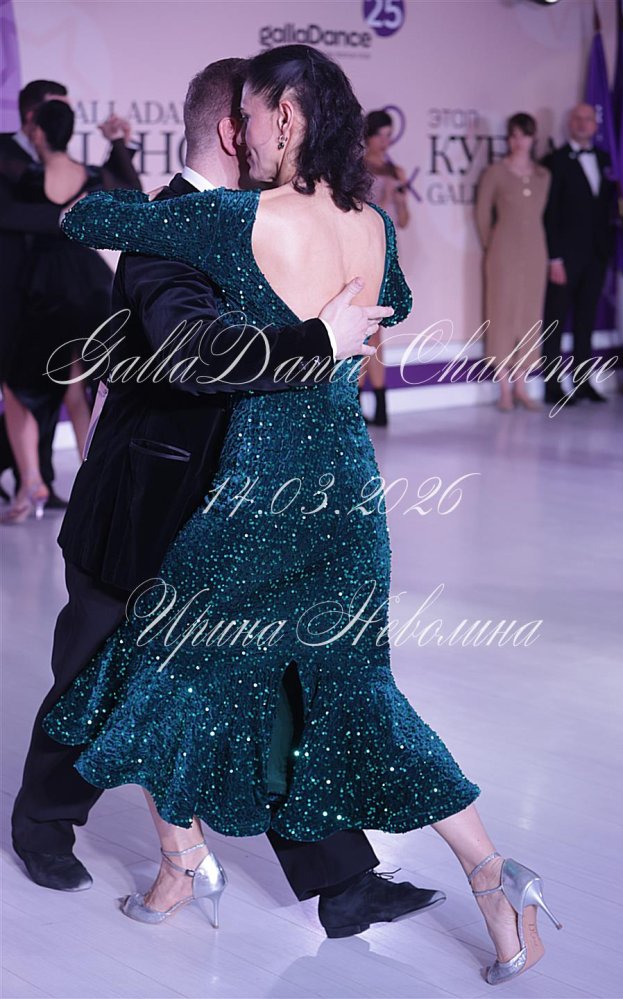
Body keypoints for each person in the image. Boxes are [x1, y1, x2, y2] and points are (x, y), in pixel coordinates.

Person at [45, 46, 561, 985]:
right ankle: (497, 878)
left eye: (251, 114)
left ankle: (179, 865)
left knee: (156, 667)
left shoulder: (236, 220)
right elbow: (393, 301)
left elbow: (85, 217)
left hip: (261, 495)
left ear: (285, 116)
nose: (242, 135)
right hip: (349, 499)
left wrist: (107, 176)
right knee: (361, 696)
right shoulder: (375, 226)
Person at [11, 58, 444, 941]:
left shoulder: (269, 218)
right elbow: (192, 353)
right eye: (261, 117)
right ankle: (42, 823)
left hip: (242, 510)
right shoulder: (175, 225)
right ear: (232, 130)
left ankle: (343, 880)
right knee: (91, 666)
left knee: (277, 679)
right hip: (147, 504)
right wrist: (317, 337)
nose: (278, 132)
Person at [0, 79, 141, 509]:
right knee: (80, 386)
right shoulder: (87, 176)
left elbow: (11, 210)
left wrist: (59, 216)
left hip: (43, 290)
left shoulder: (28, 176)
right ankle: (89, 483)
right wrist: (116, 147)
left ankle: (34, 483)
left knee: (25, 387)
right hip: (88, 285)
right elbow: (128, 189)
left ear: (38, 130)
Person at [541, 102, 616, 406]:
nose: (583, 124)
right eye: (578, 119)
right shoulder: (555, 161)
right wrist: (554, 258)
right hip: (565, 257)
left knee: (586, 320)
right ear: (569, 124)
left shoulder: (604, 159)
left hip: (596, 255)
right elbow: (549, 214)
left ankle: (583, 382)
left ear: (595, 125)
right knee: (555, 321)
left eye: (588, 119)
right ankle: (552, 386)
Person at [475, 113, 550, 412]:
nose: (519, 141)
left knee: (529, 315)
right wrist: (492, 244)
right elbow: (482, 213)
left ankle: (522, 386)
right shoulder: (496, 172)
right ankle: (504, 389)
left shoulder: (544, 176)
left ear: (533, 138)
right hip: (503, 251)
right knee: (502, 313)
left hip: (535, 251)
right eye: (514, 135)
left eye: (524, 135)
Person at [361, 109, 410, 427]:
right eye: (380, 134)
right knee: (367, 328)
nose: (385, 141)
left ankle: (376, 403)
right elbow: (360, 213)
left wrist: (399, 197)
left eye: (389, 135)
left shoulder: (395, 169)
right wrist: (386, 196)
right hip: (364, 249)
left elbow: (404, 220)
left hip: (386, 252)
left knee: (375, 329)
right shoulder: (356, 168)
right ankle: (370, 402)